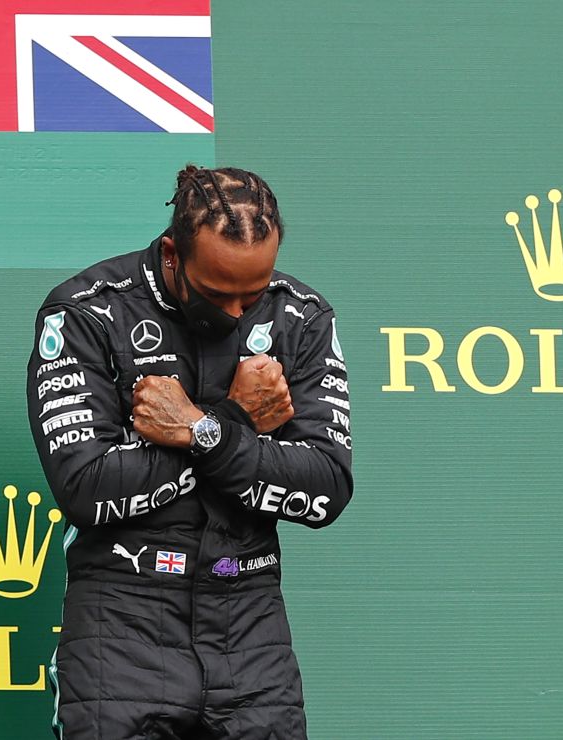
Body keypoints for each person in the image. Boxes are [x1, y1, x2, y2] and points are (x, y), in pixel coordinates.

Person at [27, 165, 353, 740]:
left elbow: (325, 489)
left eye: (251, 295)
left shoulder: (300, 317)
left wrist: (203, 430)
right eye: (217, 293)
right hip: (119, 625)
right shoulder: (86, 313)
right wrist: (239, 421)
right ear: (173, 254)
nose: (236, 313)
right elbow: (87, 489)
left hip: (252, 624)